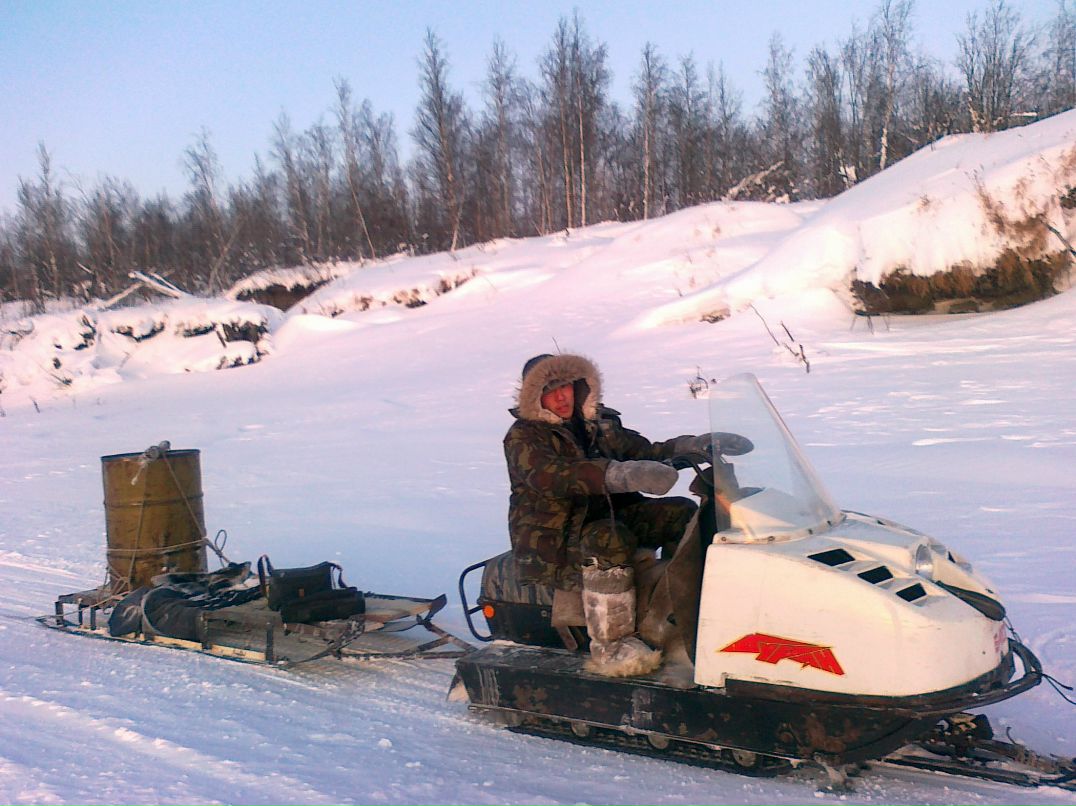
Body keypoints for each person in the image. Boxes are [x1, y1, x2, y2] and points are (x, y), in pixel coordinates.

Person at [504, 353, 752, 677]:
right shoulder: (524, 436)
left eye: (566, 386)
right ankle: (612, 646)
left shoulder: (600, 424)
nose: (562, 396)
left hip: (612, 517)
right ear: (534, 396)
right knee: (607, 538)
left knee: (681, 513)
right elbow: (551, 475)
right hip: (556, 540)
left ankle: (683, 611)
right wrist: (617, 475)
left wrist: (694, 445)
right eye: (551, 390)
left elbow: (644, 451)